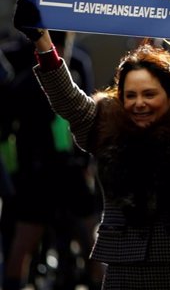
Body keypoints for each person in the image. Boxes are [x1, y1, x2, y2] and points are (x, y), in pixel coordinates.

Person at [11, 0, 170, 289]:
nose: (139, 103)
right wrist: (42, 40)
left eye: (149, 94)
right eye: (131, 95)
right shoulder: (108, 128)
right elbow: (69, 100)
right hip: (123, 269)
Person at [0, 30, 103, 290]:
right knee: (27, 244)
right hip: (42, 174)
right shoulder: (28, 83)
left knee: (92, 244)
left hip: (57, 173)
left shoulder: (72, 73)